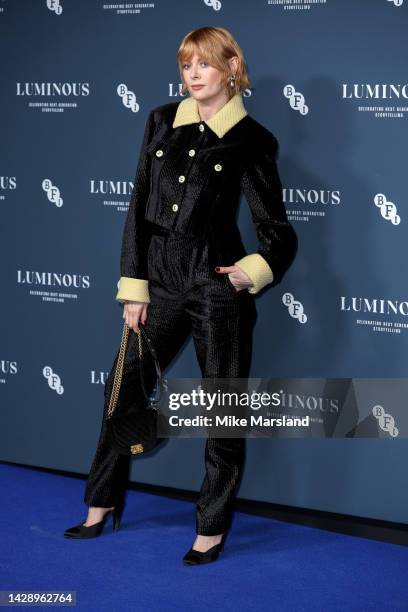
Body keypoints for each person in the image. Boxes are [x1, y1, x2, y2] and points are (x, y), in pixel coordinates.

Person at [64, 26, 298, 565]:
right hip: (160, 286)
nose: (192, 75)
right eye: (186, 65)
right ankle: (100, 504)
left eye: (204, 65)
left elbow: (276, 230)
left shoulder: (253, 140)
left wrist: (250, 271)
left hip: (216, 291)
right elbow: (138, 207)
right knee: (120, 393)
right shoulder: (160, 121)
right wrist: (135, 288)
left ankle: (211, 527)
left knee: (221, 409)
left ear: (232, 67)